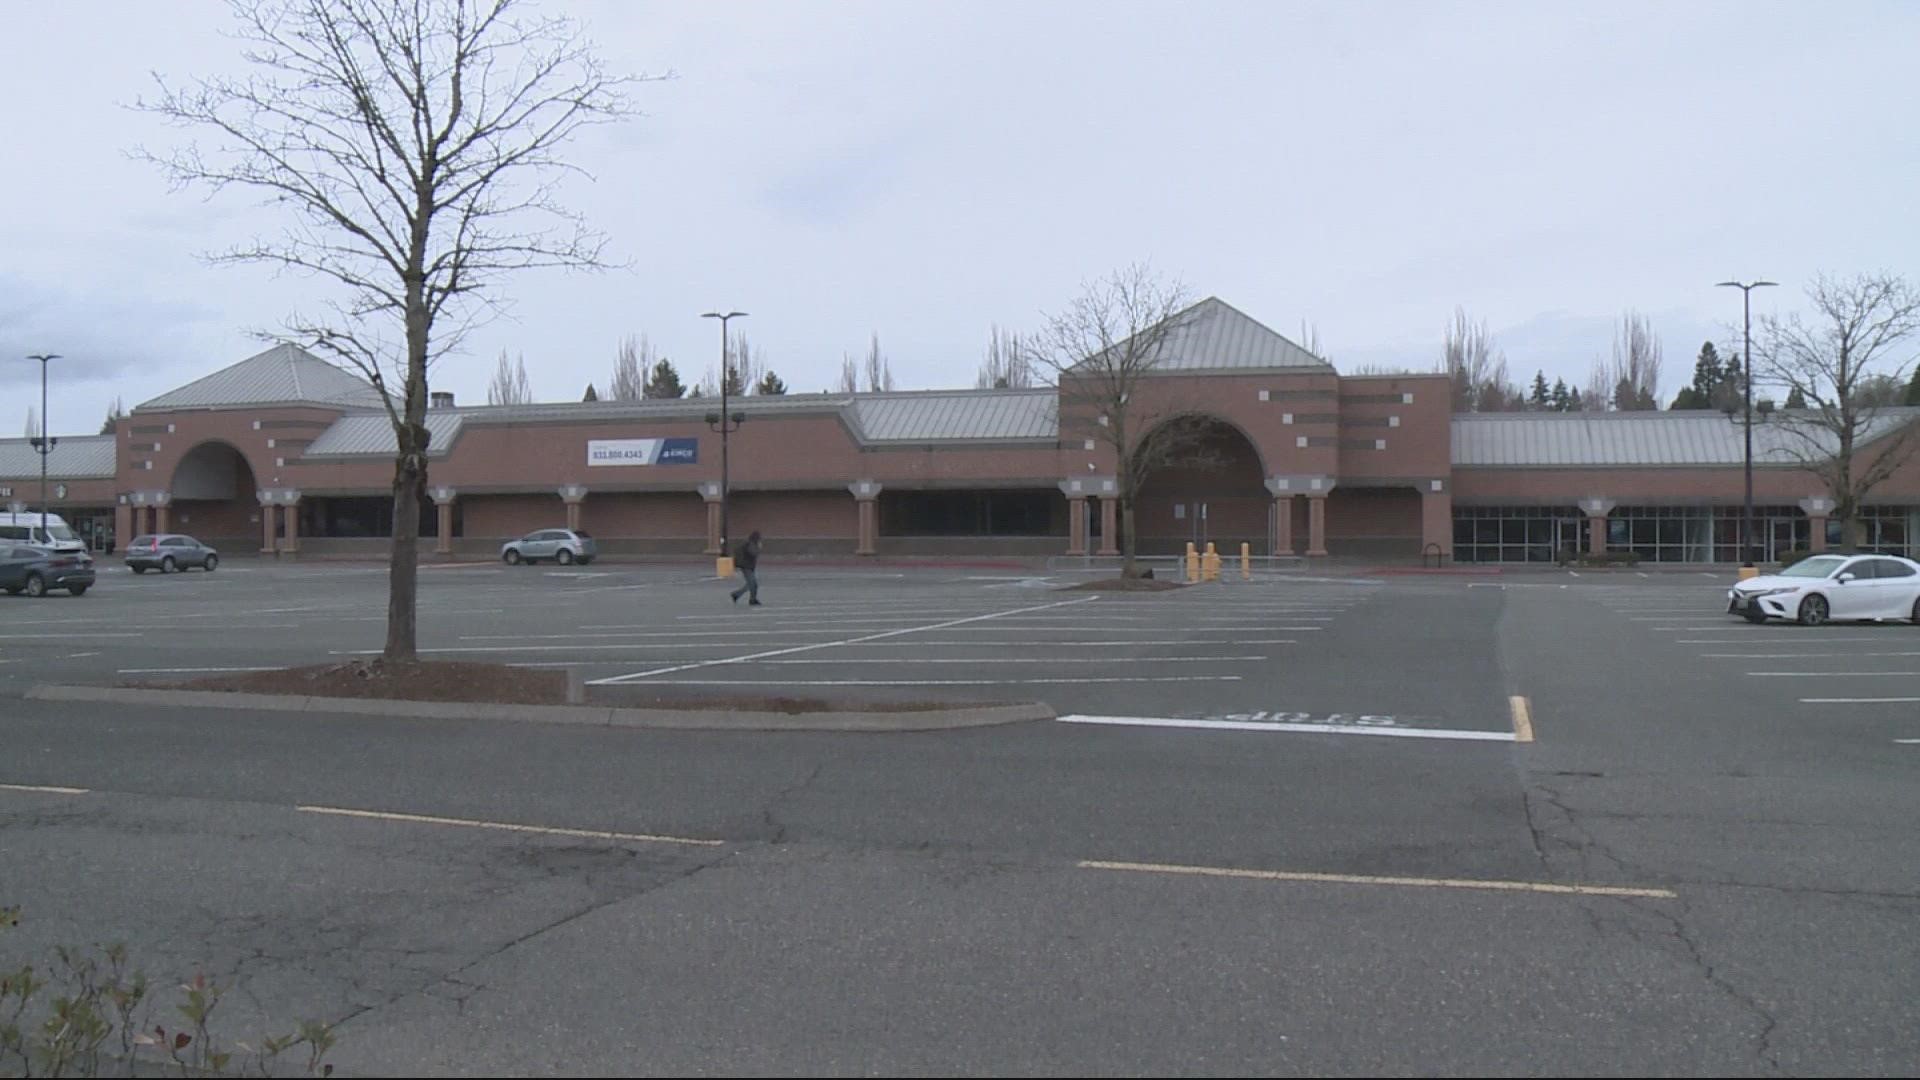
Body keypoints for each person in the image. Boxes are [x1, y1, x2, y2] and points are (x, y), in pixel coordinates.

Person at [730, 530, 763, 606]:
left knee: (751, 584)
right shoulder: (751, 544)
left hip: (747, 566)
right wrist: (759, 548)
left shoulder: (747, 543)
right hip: (747, 566)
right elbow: (753, 553)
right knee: (752, 584)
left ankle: (737, 595)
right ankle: (751, 599)